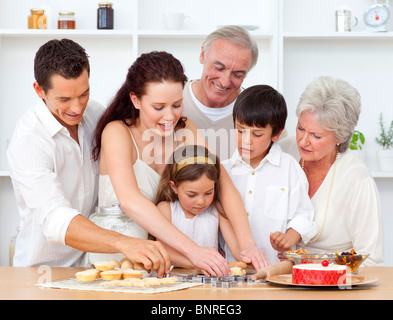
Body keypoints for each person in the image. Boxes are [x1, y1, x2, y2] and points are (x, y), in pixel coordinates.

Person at [92, 51, 268, 276]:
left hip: (161, 268)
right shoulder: (117, 132)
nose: (169, 117)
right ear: (135, 100)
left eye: (176, 105)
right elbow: (130, 201)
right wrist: (193, 251)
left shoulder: (185, 130)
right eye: (158, 107)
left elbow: (222, 184)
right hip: (115, 264)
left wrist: (247, 245)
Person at [7, 39, 170, 275]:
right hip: (41, 273)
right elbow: (55, 218)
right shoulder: (29, 141)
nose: (76, 107)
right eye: (64, 99)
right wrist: (123, 242)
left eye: (83, 94)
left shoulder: (95, 113)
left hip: (94, 268)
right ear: (39, 90)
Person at [221, 85, 317, 264]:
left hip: (276, 271)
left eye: (257, 134)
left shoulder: (289, 169)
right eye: (240, 130)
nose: (246, 140)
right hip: (234, 271)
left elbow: (304, 214)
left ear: (276, 134)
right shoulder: (224, 171)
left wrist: (289, 238)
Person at [295, 76, 384, 266]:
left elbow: (371, 259)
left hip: (331, 285)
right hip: (276, 278)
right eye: (300, 128)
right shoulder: (285, 154)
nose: (303, 141)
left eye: (316, 135)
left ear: (340, 136)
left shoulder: (356, 178)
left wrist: (318, 271)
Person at [182, 25, 287, 160]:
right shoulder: (172, 104)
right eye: (219, 68)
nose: (225, 82)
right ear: (203, 55)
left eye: (237, 75)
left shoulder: (259, 110)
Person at [154, 145, 241, 268]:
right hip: (173, 281)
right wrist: (200, 265)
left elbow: (237, 248)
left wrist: (250, 256)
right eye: (191, 195)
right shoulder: (166, 209)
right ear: (174, 187)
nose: (201, 201)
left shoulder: (216, 210)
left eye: (208, 193)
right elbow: (165, 251)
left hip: (208, 284)